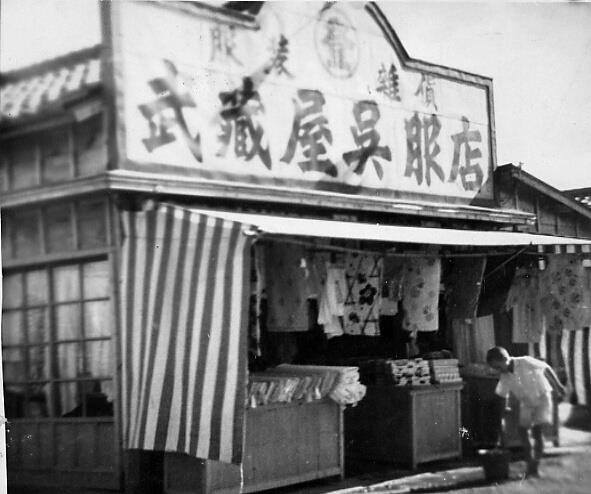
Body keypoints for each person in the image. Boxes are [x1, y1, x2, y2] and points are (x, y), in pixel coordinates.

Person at [486, 346, 566, 477]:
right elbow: (502, 396)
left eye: (498, 367)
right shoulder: (505, 376)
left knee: (537, 432)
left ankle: (535, 467)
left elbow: (546, 368)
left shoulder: (525, 361)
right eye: (495, 368)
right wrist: (502, 417)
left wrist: (558, 386)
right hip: (526, 402)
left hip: (542, 398)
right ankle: (530, 465)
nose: (498, 370)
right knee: (522, 431)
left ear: (505, 359)